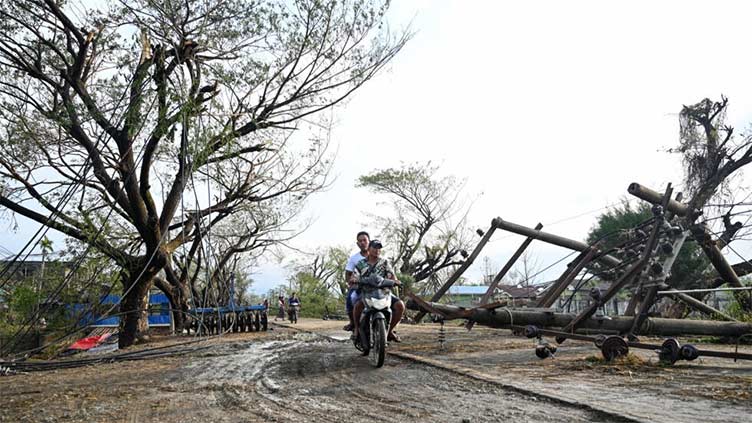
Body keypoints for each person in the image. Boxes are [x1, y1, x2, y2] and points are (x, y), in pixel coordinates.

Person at [351, 239, 405, 343]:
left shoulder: (385, 263)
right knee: (357, 306)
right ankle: (357, 329)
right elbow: (355, 275)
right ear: (369, 248)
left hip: (384, 293)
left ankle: (389, 331)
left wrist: (395, 281)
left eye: (379, 248)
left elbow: (392, 276)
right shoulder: (361, 263)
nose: (377, 250)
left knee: (400, 305)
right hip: (367, 292)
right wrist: (354, 279)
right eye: (375, 247)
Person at [343, 231, 370, 331]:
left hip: (375, 286)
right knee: (350, 298)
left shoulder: (376, 255)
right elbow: (348, 273)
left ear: (369, 241)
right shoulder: (354, 258)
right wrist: (350, 281)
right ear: (357, 244)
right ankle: (352, 322)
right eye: (360, 241)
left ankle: (389, 328)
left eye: (364, 240)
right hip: (359, 285)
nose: (362, 243)